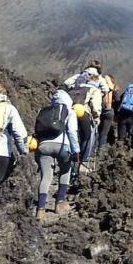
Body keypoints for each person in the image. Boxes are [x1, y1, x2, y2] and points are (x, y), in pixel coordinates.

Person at [31, 88, 81, 220]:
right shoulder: (69, 111)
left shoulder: (43, 111)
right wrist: (76, 151)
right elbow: (72, 132)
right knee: (65, 171)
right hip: (63, 147)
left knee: (46, 177)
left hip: (43, 146)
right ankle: (59, 203)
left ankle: (40, 209)